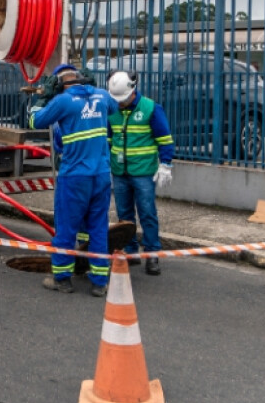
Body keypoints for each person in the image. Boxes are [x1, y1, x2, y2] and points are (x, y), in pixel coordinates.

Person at [29, 63, 117, 297]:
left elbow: (35, 121)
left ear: (58, 84)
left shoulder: (63, 101)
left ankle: (63, 279)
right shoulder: (102, 95)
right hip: (101, 175)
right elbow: (115, 109)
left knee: (66, 228)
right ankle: (99, 282)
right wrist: (95, 92)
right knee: (97, 228)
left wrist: (41, 98)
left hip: (75, 176)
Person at [106, 71, 175, 276]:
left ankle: (152, 254)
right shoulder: (112, 108)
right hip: (119, 171)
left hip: (143, 172)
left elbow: (164, 139)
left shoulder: (151, 108)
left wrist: (166, 164)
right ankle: (130, 251)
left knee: (147, 213)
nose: (119, 103)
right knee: (124, 215)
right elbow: (109, 138)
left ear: (132, 91)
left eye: (122, 99)